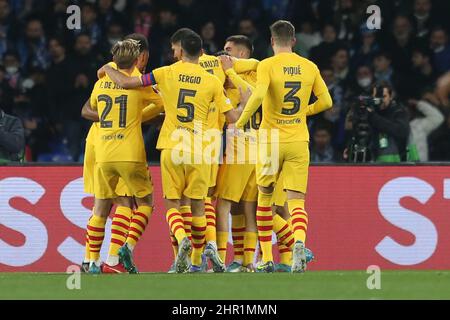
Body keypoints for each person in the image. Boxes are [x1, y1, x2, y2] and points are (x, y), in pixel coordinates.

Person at [102, 31, 242, 273]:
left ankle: (181, 236)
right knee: (198, 206)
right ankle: (197, 260)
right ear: (201, 52)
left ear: (179, 50)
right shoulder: (212, 82)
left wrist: (107, 68)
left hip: (172, 146)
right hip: (199, 149)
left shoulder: (165, 72)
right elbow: (232, 117)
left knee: (172, 203)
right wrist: (244, 102)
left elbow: (126, 82)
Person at [235, 20, 332, 273]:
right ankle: (299, 242)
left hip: (270, 142)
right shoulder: (309, 66)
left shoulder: (267, 64)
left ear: (271, 41)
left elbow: (257, 95)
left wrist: (242, 122)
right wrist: (304, 111)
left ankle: (266, 257)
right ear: (294, 41)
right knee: (296, 202)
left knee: (265, 200)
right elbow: (327, 101)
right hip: (299, 140)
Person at [81, 33, 163, 274]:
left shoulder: (101, 80)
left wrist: (111, 118)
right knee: (130, 202)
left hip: (100, 147)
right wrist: (137, 118)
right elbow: (161, 105)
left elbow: (87, 109)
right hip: (127, 150)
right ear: (140, 57)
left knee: (101, 204)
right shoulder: (139, 80)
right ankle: (115, 259)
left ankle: (90, 262)